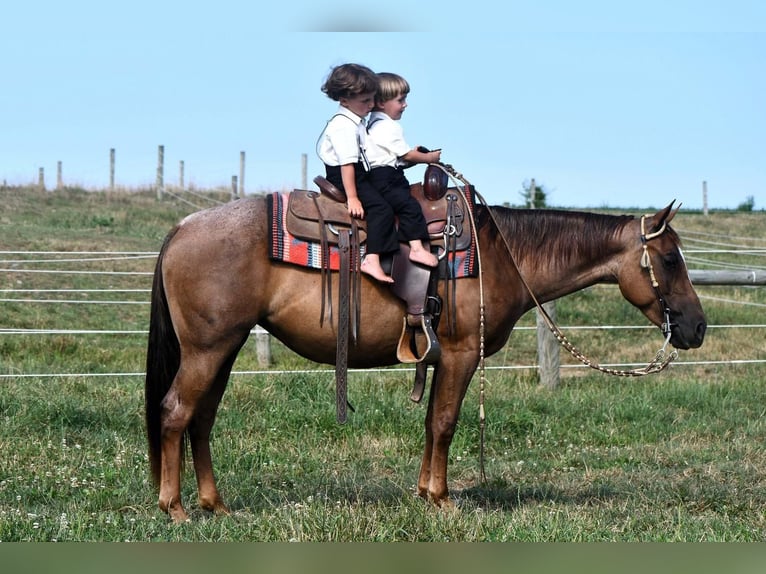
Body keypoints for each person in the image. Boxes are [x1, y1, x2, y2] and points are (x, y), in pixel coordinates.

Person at [316, 63, 395, 283]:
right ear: (344, 100)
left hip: (358, 173)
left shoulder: (355, 121)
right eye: (365, 101)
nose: (371, 105)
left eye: (372, 99)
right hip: (345, 177)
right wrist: (352, 197)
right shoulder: (343, 125)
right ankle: (371, 259)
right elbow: (347, 164)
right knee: (382, 209)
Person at [366, 72, 441, 271]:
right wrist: (428, 158)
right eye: (401, 100)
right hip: (386, 178)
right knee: (410, 207)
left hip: (380, 175)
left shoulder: (373, 124)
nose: (405, 104)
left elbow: (397, 158)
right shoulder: (388, 126)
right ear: (382, 103)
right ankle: (416, 248)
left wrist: (411, 157)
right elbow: (406, 155)